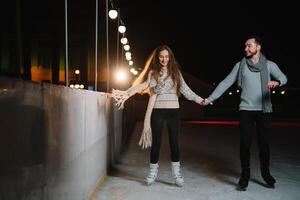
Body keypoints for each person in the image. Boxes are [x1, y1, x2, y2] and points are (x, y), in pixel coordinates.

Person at [202, 35, 287, 191]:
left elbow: (283, 77)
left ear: (258, 47)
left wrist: (278, 82)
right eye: (245, 46)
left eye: (249, 45)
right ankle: (245, 175)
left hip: (264, 110)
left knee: (264, 144)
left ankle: (266, 173)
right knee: (245, 144)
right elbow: (226, 82)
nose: (246, 48)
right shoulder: (240, 66)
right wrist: (210, 98)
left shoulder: (269, 65)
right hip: (246, 109)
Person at [112, 45, 205, 187]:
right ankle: (152, 173)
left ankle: (176, 174)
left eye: (167, 56)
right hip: (158, 113)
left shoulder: (176, 73)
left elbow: (186, 90)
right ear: (157, 58)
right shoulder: (153, 73)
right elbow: (142, 85)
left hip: (174, 113)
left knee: (175, 144)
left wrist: (200, 100)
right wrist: (126, 93)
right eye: (161, 56)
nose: (164, 59)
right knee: (156, 144)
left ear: (170, 57)